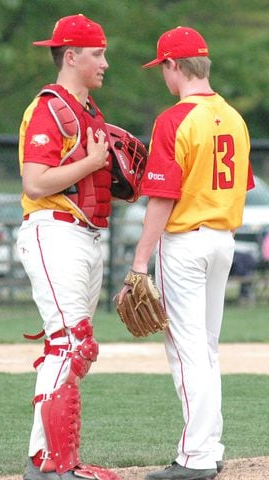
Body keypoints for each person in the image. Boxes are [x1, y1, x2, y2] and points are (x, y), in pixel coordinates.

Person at [121, 27, 253, 480]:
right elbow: (240, 183)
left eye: (163, 68)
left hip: (186, 242)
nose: (164, 76)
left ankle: (196, 457)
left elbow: (162, 198)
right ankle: (210, 446)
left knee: (187, 351)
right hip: (223, 241)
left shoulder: (175, 119)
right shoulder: (234, 117)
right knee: (207, 347)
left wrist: (141, 259)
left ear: (174, 66)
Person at [16, 14, 120, 480]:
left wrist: (113, 174)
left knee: (76, 349)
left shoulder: (89, 110)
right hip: (53, 231)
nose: (105, 62)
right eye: (97, 53)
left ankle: (49, 459)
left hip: (83, 235)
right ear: (71, 56)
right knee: (68, 344)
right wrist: (94, 161)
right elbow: (35, 182)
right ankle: (54, 464)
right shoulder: (51, 108)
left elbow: (88, 179)